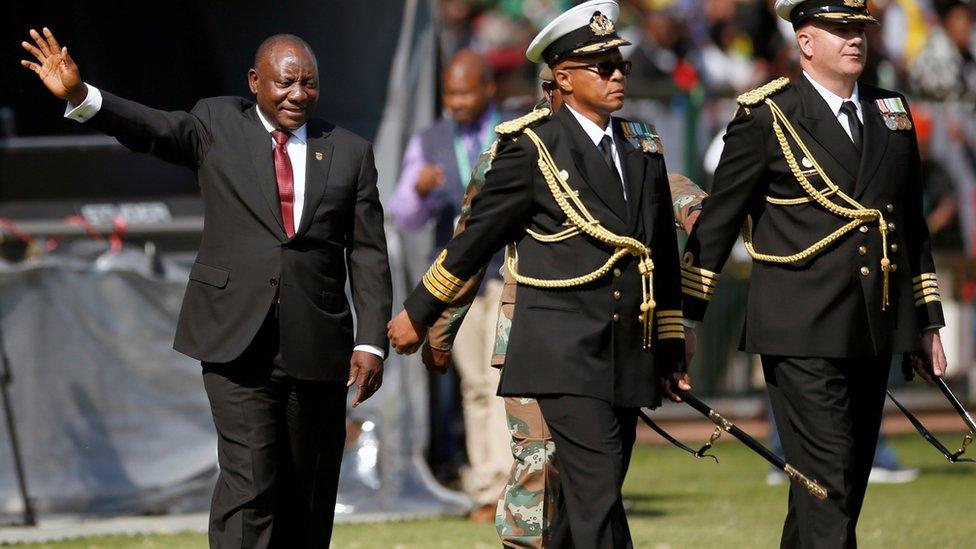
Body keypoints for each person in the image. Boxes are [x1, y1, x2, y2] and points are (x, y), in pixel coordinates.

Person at [20, 29, 392, 547]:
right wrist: (85, 97)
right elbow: (153, 128)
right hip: (234, 338)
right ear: (255, 82)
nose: (298, 95)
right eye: (286, 83)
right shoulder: (218, 123)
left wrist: (370, 340)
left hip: (316, 343)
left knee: (306, 489)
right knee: (250, 479)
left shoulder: (350, 152)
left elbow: (369, 253)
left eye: (309, 84)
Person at [389, 2, 691, 546]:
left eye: (619, 63)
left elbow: (659, 259)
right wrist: (420, 311)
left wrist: (669, 351)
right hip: (559, 353)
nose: (618, 73)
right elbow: (474, 238)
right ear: (566, 78)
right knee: (597, 501)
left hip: (624, 352)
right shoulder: (531, 148)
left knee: (583, 506)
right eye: (603, 66)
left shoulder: (641, 145)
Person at [681, 0, 948, 546]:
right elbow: (718, 225)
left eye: (861, 29)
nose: (855, 39)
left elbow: (908, 227)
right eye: (840, 30)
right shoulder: (767, 114)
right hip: (800, 329)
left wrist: (927, 321)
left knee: (837, 488)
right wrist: (682, 324)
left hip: (874, 327)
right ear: (805, 42)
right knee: (827, 485)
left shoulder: (891, 111)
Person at [389, 49, 512, 520]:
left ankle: (518, 485)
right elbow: (402, 213)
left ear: (487, 90)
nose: (456, 101)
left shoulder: (515, 134)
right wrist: (418, 190)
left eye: (465, 91)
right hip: (458, 284)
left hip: (508, 275)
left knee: (506, 381)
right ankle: (488, 487)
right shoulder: (431, 140)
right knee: (476, 386)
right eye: (449, 93)